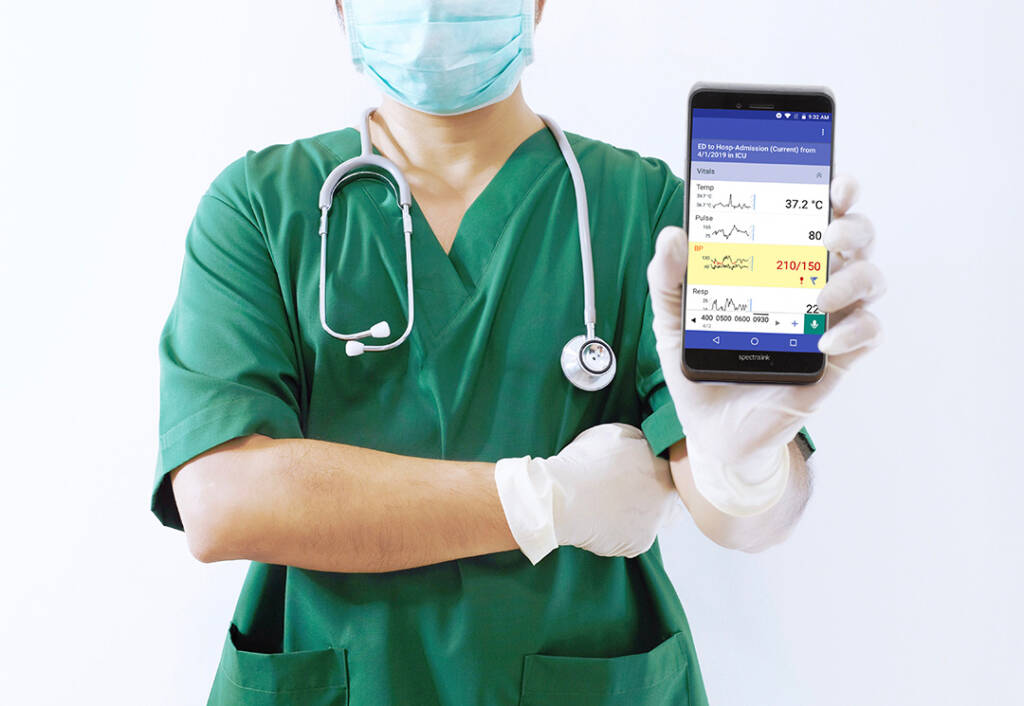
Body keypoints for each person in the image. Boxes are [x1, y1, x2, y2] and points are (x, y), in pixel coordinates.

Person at [152, 1, 885, 704]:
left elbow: (739, 518)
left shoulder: (644, 212)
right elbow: (222, 500)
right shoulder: (257, 208)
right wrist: (542, 500)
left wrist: (746, 467)